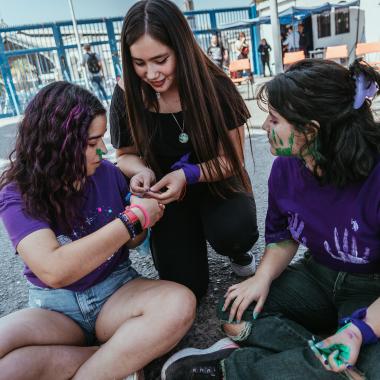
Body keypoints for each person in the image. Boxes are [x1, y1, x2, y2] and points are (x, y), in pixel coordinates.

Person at [161, 58, 380, 379]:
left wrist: (359, 331)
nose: (264, 127)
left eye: (274, 120)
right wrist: (261, 278)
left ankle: (231, 369)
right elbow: (283, 237)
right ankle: (330, 361)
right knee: (236, 307)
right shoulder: (285, 168)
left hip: (372, 292)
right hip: (318, 274)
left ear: (311, 130)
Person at [0, 81, 196, 380]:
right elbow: (54, 270)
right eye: (92, 144)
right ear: (58, 144)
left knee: (179, 303)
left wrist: (142, 217)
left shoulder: (108, 175)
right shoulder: (17, 192)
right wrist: (132, 219)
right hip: (55, 307)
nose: (103, 151)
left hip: (115, 290)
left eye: (101, 140)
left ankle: (102, 367)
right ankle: (120, 357)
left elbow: (132, 243)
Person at [110, 0, 259, 300]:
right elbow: (123, 154)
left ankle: (237, 251)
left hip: (217, 183)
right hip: (166, 196)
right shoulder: (126, 91)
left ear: (181, 48)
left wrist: (189, 174)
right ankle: (187, 236)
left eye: (160, 59)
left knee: (233, 232)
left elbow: (233, 160)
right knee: (186, 287)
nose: (151, 73)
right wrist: (142, 171)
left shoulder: (215, 86)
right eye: (139, 63)